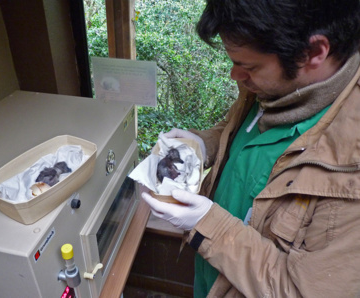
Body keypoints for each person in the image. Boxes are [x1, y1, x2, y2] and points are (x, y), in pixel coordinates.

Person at [141, 0, 360, 297]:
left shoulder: (351, 167)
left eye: (248, 66)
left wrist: (209, 225)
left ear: (313, 53)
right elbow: (245, 134)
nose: (235, 76)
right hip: (213, 277)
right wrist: (204, 145)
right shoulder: (276, 83)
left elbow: (299, 291)